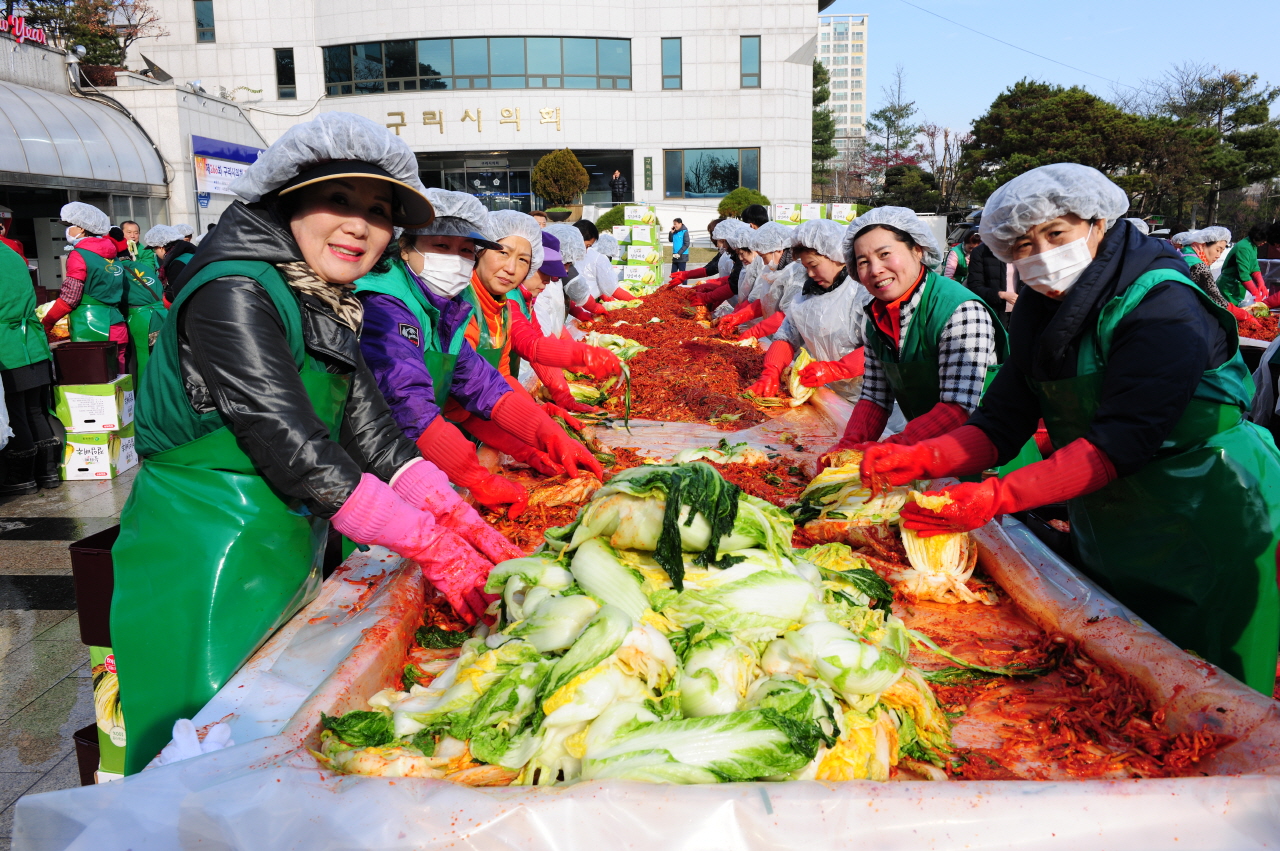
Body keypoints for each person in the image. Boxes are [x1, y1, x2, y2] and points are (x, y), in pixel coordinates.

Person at [110, 112, 516, 775]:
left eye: (379, 211)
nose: (359, 225)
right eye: (339, 199)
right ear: (288, 197)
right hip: (201, 552)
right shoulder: (235, 288)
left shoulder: (326, 296)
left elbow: (371, 430)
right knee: (197, 760)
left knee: (264, 746)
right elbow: (292, 441)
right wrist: (425, 542)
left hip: (281, 539)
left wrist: (456, 515)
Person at [862, 163, 1280, 695]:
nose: (1039, 255)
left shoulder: (1161, 303)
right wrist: (923, 459)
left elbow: (1120, 441)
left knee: (1209, 692)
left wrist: (996, 495)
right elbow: (1001, 419)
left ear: (1098, 222)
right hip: (1109, 513)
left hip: (1207, 508)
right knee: (1113, 676)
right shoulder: (1043, 305)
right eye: (1020, 244)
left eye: (1055, 234)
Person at [355, 188, 535, 517]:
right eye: (441, 246)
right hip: (373, 471)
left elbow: (483, 383)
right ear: (405, 248)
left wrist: (541, 437)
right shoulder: (385, 304)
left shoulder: (448, 309)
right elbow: (407, 402)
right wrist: (476, 478)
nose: (455, 259)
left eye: (466, 250)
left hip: (417, 461)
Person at [819, 207, 1004, 461]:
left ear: (918, 249)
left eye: (885, 254)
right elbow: (875, 395)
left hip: (983, 460)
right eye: (863, 262)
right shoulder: (876, 317)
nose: (875, 270)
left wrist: (896, 444)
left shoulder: (959, 310)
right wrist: (850, 446)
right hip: (924, 450)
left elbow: (959, 407)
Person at [451, 210, 610, 478]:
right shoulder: (460, 306)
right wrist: (584, 359)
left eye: (523, 260)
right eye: (503, 252)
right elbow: (530, 346)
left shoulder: (499, 305)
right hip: (423, 440)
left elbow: (497, 382)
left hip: (471, 418)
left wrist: (536, 420)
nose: (511, 268)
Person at [746, 219, 868, 403]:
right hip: (832, 395)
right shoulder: (806, 297)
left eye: (814, 265)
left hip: (872, 398)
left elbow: (880, 347)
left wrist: (837, 369)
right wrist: (772, 370)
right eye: (806, 268)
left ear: (837, 256)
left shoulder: (862, 291)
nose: (810, 274)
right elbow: (786, 336)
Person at [0, 239, 59, 495]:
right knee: (35, 409)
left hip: (8, 344)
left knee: (16, 414)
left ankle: (21, 478)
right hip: (33, 343)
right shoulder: (11, 254)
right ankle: (48, 472)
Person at [41, 202, 129, 372]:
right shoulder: (113, 256)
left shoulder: (79, 255)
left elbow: (70, 297)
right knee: (119, 385)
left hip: (91, 329)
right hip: (118, 325)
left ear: (81, 229)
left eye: (69, 226)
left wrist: (47, 322)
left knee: (94, 384)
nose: (66, 231)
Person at [717, 221, 795, 341]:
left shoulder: (796, 273)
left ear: (778, 250)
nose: (764, 262)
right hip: (776, 332)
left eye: (764, 257)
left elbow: (789, 315)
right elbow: (767, 301)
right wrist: (739, 316)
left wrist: (754, 331)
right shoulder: (777, 269)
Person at [110, 226, 167, 383]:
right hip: (161, 316)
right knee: (160, 360)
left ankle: (144, 398)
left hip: (141, 319)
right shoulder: (143, 266)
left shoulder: (116, 270)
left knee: (143, 360)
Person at [964, 234, 1021, 327]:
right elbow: (975, 286)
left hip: (1020, 312)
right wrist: (1001, 295)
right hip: (993, 312)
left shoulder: (1022, 249)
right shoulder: (981, 252)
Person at [1181, 227, 1239, 314]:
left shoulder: (1184, 252)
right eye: (1217, 250)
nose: (1218, 255)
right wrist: (1242, 314)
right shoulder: (1198, 266)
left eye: (1221, 252)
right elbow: (1217, 301)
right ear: (1203, 244)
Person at [1217, 224, 1272, 306]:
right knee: (1229, 312)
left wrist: (1261, 283)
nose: (1264, 242)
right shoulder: (1244, 247)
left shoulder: (1253, 246)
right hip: (1228, 286)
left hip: (1237, 286)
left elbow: (1254, 267)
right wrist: (1255, 292)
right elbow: (1244, 274)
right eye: (1263, 240)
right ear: (1257, 236)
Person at [667, 218, 726, 285]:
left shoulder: (731, 256)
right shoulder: (723, 253)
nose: (716, 245)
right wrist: (687, 274)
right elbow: (709, 267)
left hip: (682, 255)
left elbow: (731, 282)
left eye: (717, 240)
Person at [148, 224, 197, 300]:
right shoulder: (191, 252)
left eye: (155, 249)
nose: (156, 252)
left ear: (161, 247)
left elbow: (176, 293)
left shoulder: (177, 264)